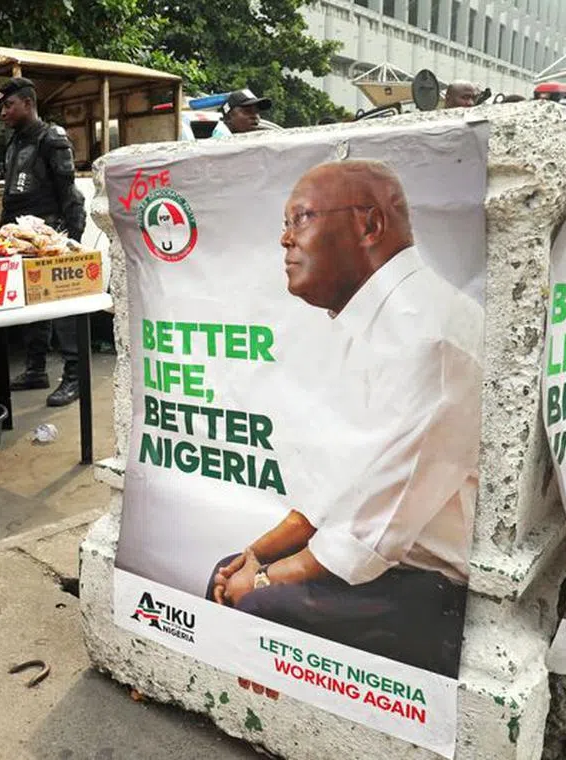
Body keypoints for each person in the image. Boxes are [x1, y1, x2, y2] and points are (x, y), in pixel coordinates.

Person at [205, 160, 484, 677]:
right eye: (285, 225)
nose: (285, 241)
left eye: (301, 219)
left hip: (429, 584)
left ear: (370, 225)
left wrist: (266, 581)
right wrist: (255, 554)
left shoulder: (426, 337)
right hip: (377, 558)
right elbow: (336, 489)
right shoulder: (369, 322)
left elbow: (367, 532)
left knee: (258, 605)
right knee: (226, 573)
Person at [0, 76, 86, 407]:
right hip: (23, 241)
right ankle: (36, 369)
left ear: (28, 103)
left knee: (62, 308)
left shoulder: (52, 138)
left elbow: (70, 193)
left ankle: (75, 376)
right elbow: (11, 198)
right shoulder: (15, 142)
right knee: (30, 306)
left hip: (52, 238)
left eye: (9, 105)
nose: (3, 112)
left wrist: (69, 243)